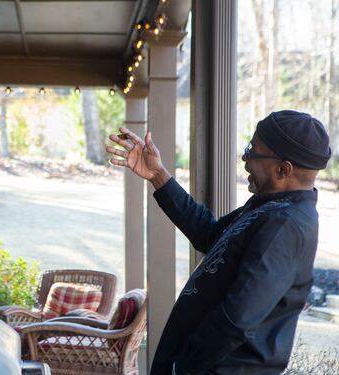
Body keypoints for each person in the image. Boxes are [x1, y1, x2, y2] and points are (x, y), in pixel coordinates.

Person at [106, 110, 331, 375]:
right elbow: (209, 234)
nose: (246, 160)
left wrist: (184, 367)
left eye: (253, 151)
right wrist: (158, 175)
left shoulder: (287, 225)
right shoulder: (269, 207)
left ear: (283, 169)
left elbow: (239, 317)